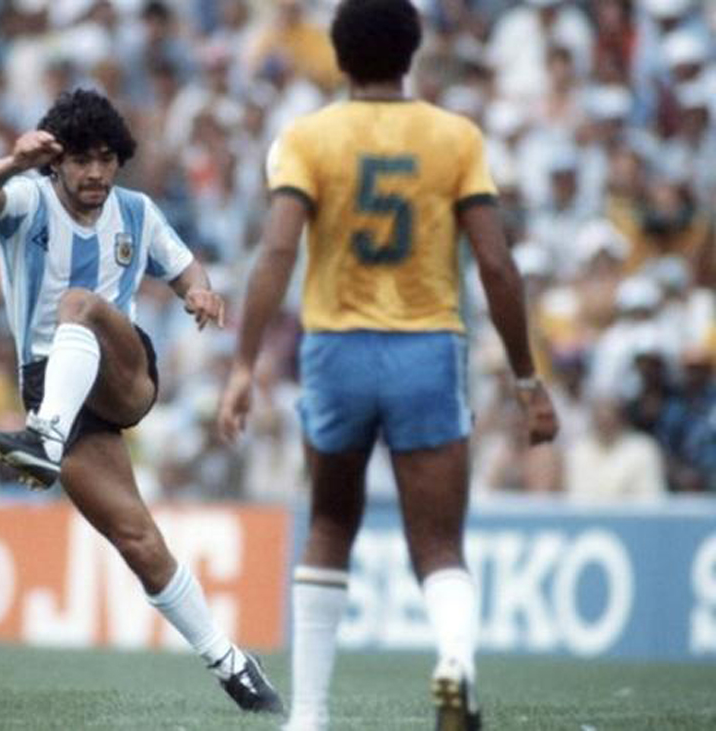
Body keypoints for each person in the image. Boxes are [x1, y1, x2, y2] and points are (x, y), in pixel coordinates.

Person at [216, 2, 559, 730]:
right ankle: (455, 661)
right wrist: (528, 379)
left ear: (339, 58)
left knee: (329, 524)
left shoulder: (308, 137)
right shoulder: (455, 137)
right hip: (426, 349)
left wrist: (244, 364)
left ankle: (309, 716)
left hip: (336, 349)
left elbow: (276, 251)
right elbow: (497, 265)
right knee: (438, 542)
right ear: (412, 53)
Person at [0, 88, 282, 714]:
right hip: (53, 388)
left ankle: (43, 440)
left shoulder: (136, 212)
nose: (96, 173)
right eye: (82, 160)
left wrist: (201, 293)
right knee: (136, 539)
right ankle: (232, 665)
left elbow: (187, 269)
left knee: (78, 304)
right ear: (56, 163)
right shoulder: (27, 200)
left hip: (121, 372)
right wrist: (13, 161)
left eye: (107, 159)